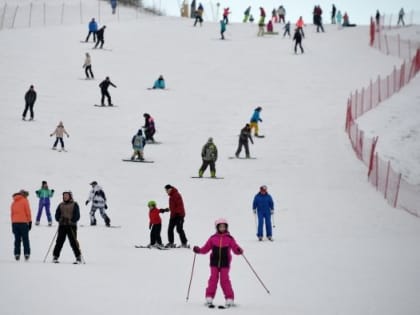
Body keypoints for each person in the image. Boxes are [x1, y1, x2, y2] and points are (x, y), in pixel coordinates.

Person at [193, 218, 243, 308]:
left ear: (226, 227)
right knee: (213, 279)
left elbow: (235, 248)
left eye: (224, 227)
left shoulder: (229, 239)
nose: (222, 228)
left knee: (224, 280)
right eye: (220, 227)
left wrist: (239, 250)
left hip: (225, 263)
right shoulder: (213, 238)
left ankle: (229, 298)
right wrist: (198, 250)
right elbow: (205, 249)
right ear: (217, 228)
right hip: (214, 263)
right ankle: (209, 297)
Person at [52, 191, 82, 264]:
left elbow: (77, 215)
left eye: (66, 195)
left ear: (70, 196)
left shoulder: (75, 204)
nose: (65, 197)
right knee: (59, 241)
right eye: (64, 196)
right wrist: (60, 219)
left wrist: (71, 220)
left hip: (71, 226)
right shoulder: (61, 205)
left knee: (73, 242)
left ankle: (78, 257)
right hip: (62, 225)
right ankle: (55, 256)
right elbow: (57, 215)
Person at [11, 189, 32, 261]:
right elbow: (28, 211)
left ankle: (17, 254)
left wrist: (12, 223)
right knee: (25, 239)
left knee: (17, 239)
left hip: (15, 223)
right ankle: (26, 254)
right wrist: (30, 221)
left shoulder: (14, 202)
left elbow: (12, 214)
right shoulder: (25, 200)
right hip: (23, 223)